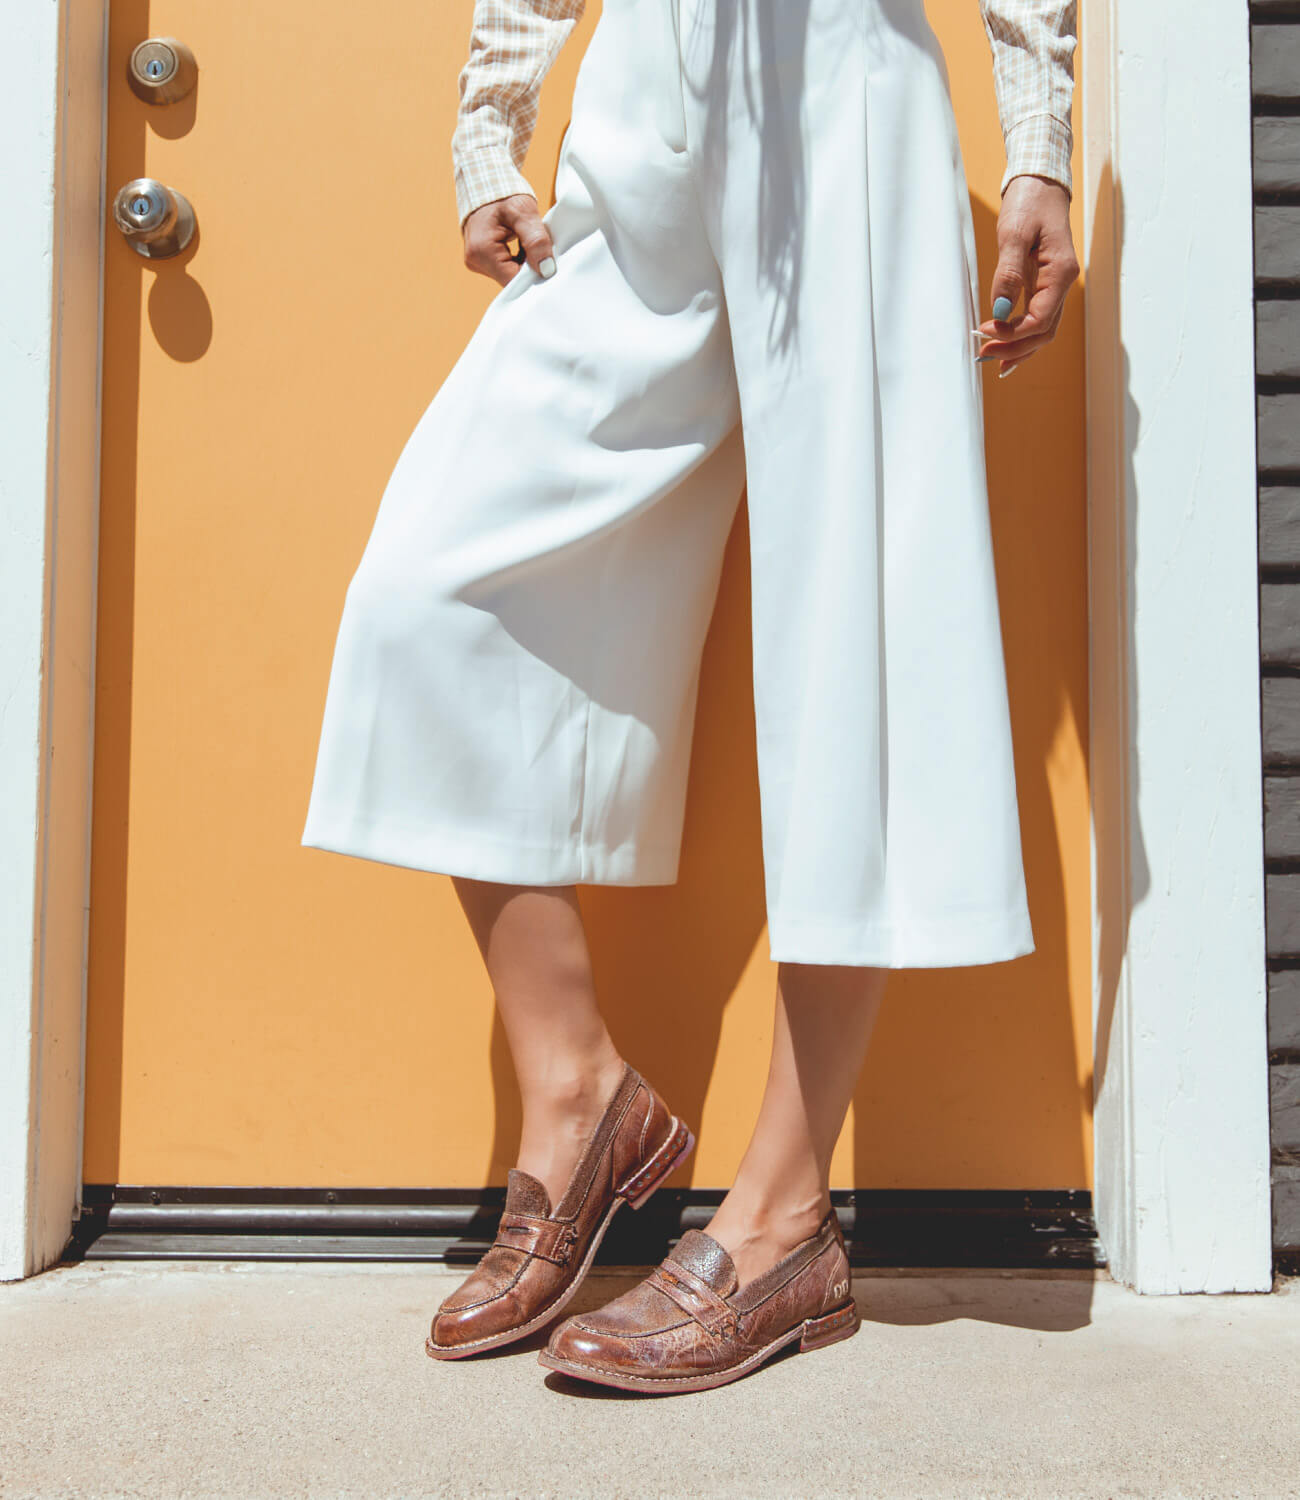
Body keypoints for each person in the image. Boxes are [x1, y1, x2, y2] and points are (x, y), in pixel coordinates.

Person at [300, 0, 1079, 1394]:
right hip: (642, 89)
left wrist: (1038, 140)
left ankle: (783, 1216)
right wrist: (493, 122)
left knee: (864, 619)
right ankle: (578, 1095)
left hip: (844, 74)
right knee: (435, 585)